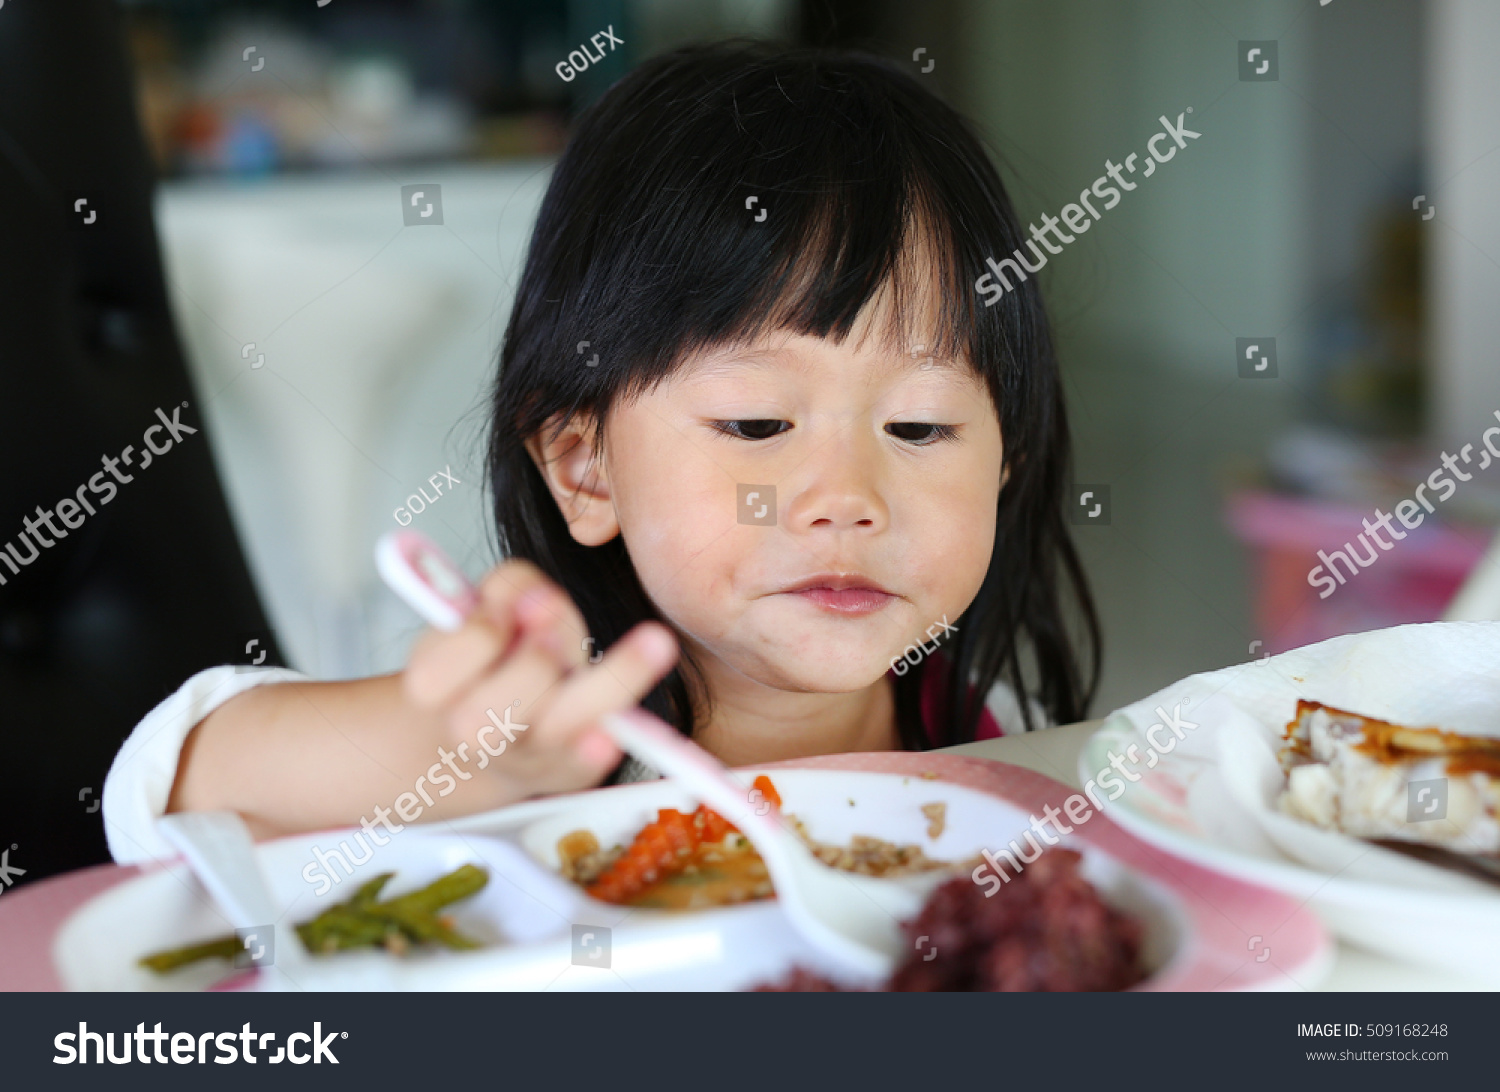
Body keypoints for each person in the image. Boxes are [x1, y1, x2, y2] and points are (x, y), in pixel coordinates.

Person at [101, 40, 1100, 865]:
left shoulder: (990, 740)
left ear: (1005, 457)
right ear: (586, 468)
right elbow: (169, 788)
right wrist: (471, 756)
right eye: (757, 425)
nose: (848, 498)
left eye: (920, 427)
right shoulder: (548, 750)